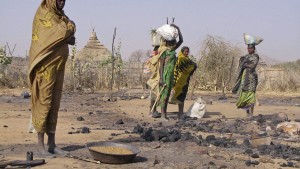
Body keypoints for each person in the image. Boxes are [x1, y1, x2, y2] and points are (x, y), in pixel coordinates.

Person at [28, 0, 76, 157]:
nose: (62, 3)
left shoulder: (61, 17)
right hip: (45, 69)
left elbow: (70, 34)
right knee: (44, 102)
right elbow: (64, 33)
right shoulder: (44, 16)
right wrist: (67, 34)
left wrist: (67, 33)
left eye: (64, 0)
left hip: (58, 67)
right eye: (59, 0)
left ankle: (52, 144)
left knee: (55, 103)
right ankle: (40, 145)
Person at [232, 44, 259, 119]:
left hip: (251, 79)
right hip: (245, 78)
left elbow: (253, 66)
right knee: (244, 96)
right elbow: (241, 64)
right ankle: (247, 114)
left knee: (251, 96)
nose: (249, 49)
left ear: (254, 49)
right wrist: (243, 62)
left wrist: (245, 65)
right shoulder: (246, 56)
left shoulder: (255, 56)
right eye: (248, 48)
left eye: (251, 48)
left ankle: (251, 114)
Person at [169, 46, 197, 118]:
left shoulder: (187, 60)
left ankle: (180, 112)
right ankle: (180, 113)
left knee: (182, 97)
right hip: (179, 81)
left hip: (185, 81)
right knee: (180, 96)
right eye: (185, 51)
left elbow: (194, 66)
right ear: (182, 51)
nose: (186, 53)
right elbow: (194, 65)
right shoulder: (180, 59)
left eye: (187, 51)